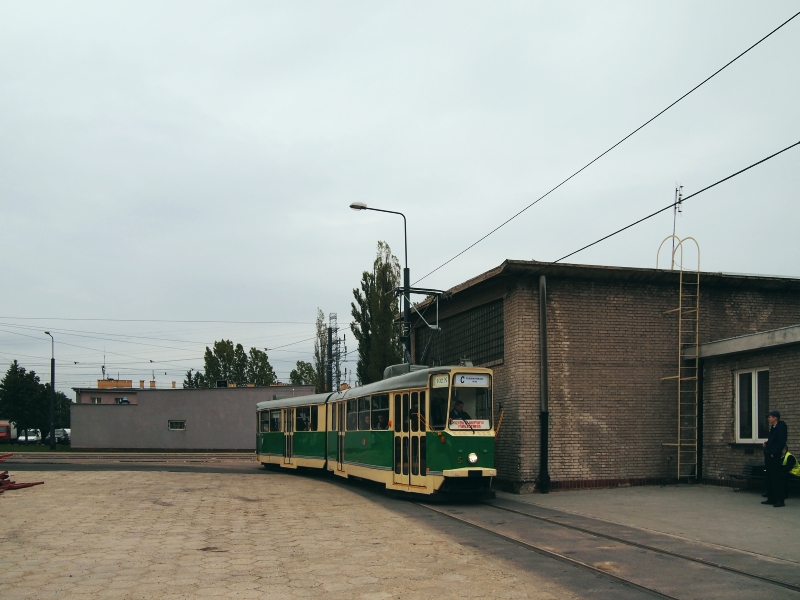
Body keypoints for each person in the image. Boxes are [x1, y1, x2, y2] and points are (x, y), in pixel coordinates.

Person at [762, 410, 788, 507]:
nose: (768, 419)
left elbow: (781, 441)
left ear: (775, 417)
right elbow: (772, 440)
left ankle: (780, 500)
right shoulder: (773, 427)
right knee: (769, 477)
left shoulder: (781, 426)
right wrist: (766, 444)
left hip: (774, 455)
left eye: (770, 417)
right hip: (769, 454)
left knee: (776, 478)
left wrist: (774, 453)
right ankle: (771, 498)